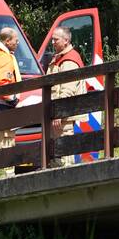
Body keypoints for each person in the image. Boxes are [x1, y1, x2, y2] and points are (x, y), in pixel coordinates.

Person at [46, 26, 86, 166]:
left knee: (64, 155)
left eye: (55, 39)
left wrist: (58, 113)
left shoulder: (69, 60)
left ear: (66, 40)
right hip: (59, 115)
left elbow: (67, 90)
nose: (52, 42)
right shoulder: (59, 58)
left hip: (64, 116)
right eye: (52, 39)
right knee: (57, 153)